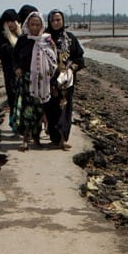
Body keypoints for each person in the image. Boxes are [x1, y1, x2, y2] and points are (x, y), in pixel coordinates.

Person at [12, 11, 56, 151]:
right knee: (26, 109)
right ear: (27, 25)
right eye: (32, 24)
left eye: (37, 24)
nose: (35, 27)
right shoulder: (23, 40)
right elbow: (14, 57)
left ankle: (37, 139)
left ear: (42, 25)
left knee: (38, 110)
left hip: (42, 81)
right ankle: (25, 138)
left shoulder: (46, 40)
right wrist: (17, 68)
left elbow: (54, 58)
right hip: (26, 80)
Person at [43, 9, 86, 150]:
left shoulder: (70, 38)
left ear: (63, 21)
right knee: (51, 110)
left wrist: (71, 68)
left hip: (66, 82)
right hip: (49, 81)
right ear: (49, 21)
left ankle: (62, 138)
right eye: (53, 20)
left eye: (58, 20)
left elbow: (79, 58)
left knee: (65, 110)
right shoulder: (44, 39)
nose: (56, 23)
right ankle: (54, 137)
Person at [0, 8, 20, 128]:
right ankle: (14, 121)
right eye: (8, 21)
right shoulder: (2, 36)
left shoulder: (21, 34)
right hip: (10, 71)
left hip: (23, 71)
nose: (10, 24)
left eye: (13, 21)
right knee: (12, 96)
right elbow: (5, 52)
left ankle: (23, 123)